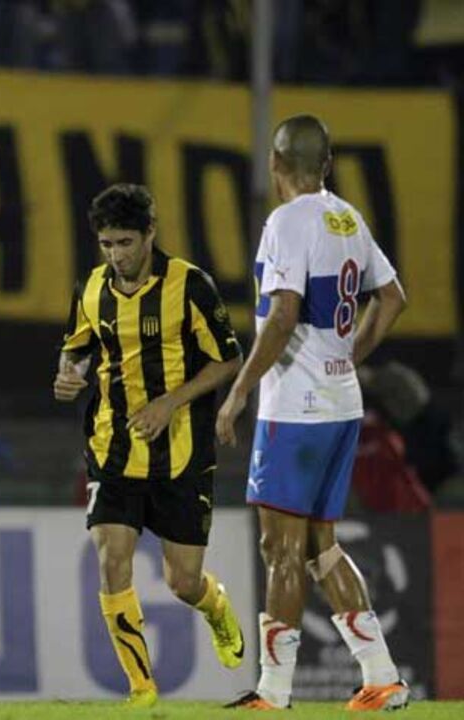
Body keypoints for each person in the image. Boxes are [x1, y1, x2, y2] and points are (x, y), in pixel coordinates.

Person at [215, 114, 409, 711]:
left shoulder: (285, 221)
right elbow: (393, 298)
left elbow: (281, 315)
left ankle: (273, 693)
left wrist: (241, 389)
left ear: (275, 167)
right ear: (326, 165)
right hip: (340, 401)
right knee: (320, 547)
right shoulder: (347, 217)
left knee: (280, 549)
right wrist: (350, 355)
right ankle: (383, 676)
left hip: (294, 409)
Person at [54, 183, 245, 708]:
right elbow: (76, 352)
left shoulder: (190, 285)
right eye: (107, 244)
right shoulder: (92, 288)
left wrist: (171, 402)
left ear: (149, 235)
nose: (116, 255)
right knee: (112, 557)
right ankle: (141, 688)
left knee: (183, 581)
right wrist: (66, 378)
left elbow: (228, 359)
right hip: (112, 445)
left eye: (125, 243)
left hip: (180, 452)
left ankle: (216, 607)